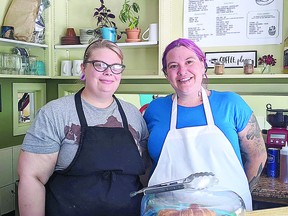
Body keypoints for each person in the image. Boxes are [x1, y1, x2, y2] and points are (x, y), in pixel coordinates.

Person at [17, 39, 150, 216]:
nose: (109, 72)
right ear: (83, 68)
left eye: (116, 66)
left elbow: (146, 175)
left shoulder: (134, 115)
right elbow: (32, 178)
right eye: (99, 65)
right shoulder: (55, 113)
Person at [143, 38, 267, 211]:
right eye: (173, 66)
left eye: (189, 62)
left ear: (202, 65)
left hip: (225, 211)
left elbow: (257, 156)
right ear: (166, 73)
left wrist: (240, 196)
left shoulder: (231, 104)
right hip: (169, 211)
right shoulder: (155, 110)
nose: (182, 71)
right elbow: (146, 163)